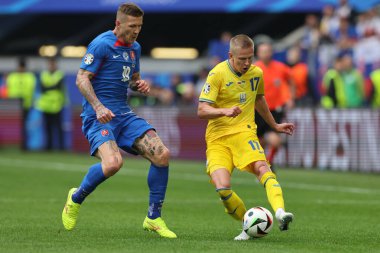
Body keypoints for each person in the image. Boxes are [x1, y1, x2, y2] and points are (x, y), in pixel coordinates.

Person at [61, 3, 177, 239]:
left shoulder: (135, 48)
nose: (136, 31)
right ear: (118, 24)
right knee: (113, 163)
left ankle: (153, 218)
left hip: (123, 115)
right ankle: (75, 198)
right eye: (132, 26)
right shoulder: (102, 44)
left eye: (140, 26)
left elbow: (133, 79)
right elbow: (82, 78)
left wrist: (140, 85)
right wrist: (98, 106)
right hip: (98, 117)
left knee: (162, 155)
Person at [197, 34, 294, 241]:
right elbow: (202, 110)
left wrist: (274, 125)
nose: (247, 63)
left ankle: (280, 212)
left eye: (250, 57)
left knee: (262, 167)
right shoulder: (217, 74)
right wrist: (223, 111)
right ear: (231, 55)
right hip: (218, 139)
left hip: (244, 132)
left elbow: (259, 100)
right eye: (242, 59)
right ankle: (247, 226)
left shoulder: (256, 73)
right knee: (222, 188)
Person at [255, 42, 295, 170]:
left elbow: (291, 81)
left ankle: (268, 164)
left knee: (276, 141)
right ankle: (262, 165)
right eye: (263, 51)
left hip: (275, 110)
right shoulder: (254, 69)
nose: (266, 54)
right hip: (258, 110)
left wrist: (290, 98)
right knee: (259, 141)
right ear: (258, 53)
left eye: (268, 51)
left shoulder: (281, 68)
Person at [5, 57, 36, 150]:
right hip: (13, 106)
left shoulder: (29, 77)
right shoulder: (12, 77)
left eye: (22, 67)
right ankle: (13, 145)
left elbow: (30, 90)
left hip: (25, 105)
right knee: (13, 126)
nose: (21, 69)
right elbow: (8, 90)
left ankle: (24, 146)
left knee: (23, 126)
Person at [35, 57, 66, 150]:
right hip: (46, 106)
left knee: (58, 128)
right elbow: (42, 89)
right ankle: (48, 147)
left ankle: (61, 147)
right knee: (47, 128)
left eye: (53, 64)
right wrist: (52, 86)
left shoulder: (60, 74)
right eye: (50, 64)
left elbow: (58, 87)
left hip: (57, 105)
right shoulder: (44, 74)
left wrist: (48, 87)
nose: (52, 66)